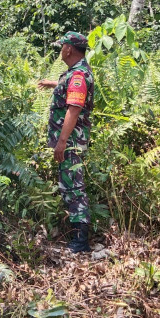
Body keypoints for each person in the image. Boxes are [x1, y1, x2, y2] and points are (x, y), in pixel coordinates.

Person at [37, 31, 94, 253]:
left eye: (62, 46)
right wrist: (53, 84)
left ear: (69, 49)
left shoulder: (78, 75)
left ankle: (81, 241)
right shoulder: (75, 73)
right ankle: (76, 235)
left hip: (70, 142)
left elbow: (74, 108)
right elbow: (70, 88)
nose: (61, 50)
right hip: (70, 141)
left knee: (73, 186)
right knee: (69, 183)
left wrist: (61, 143)